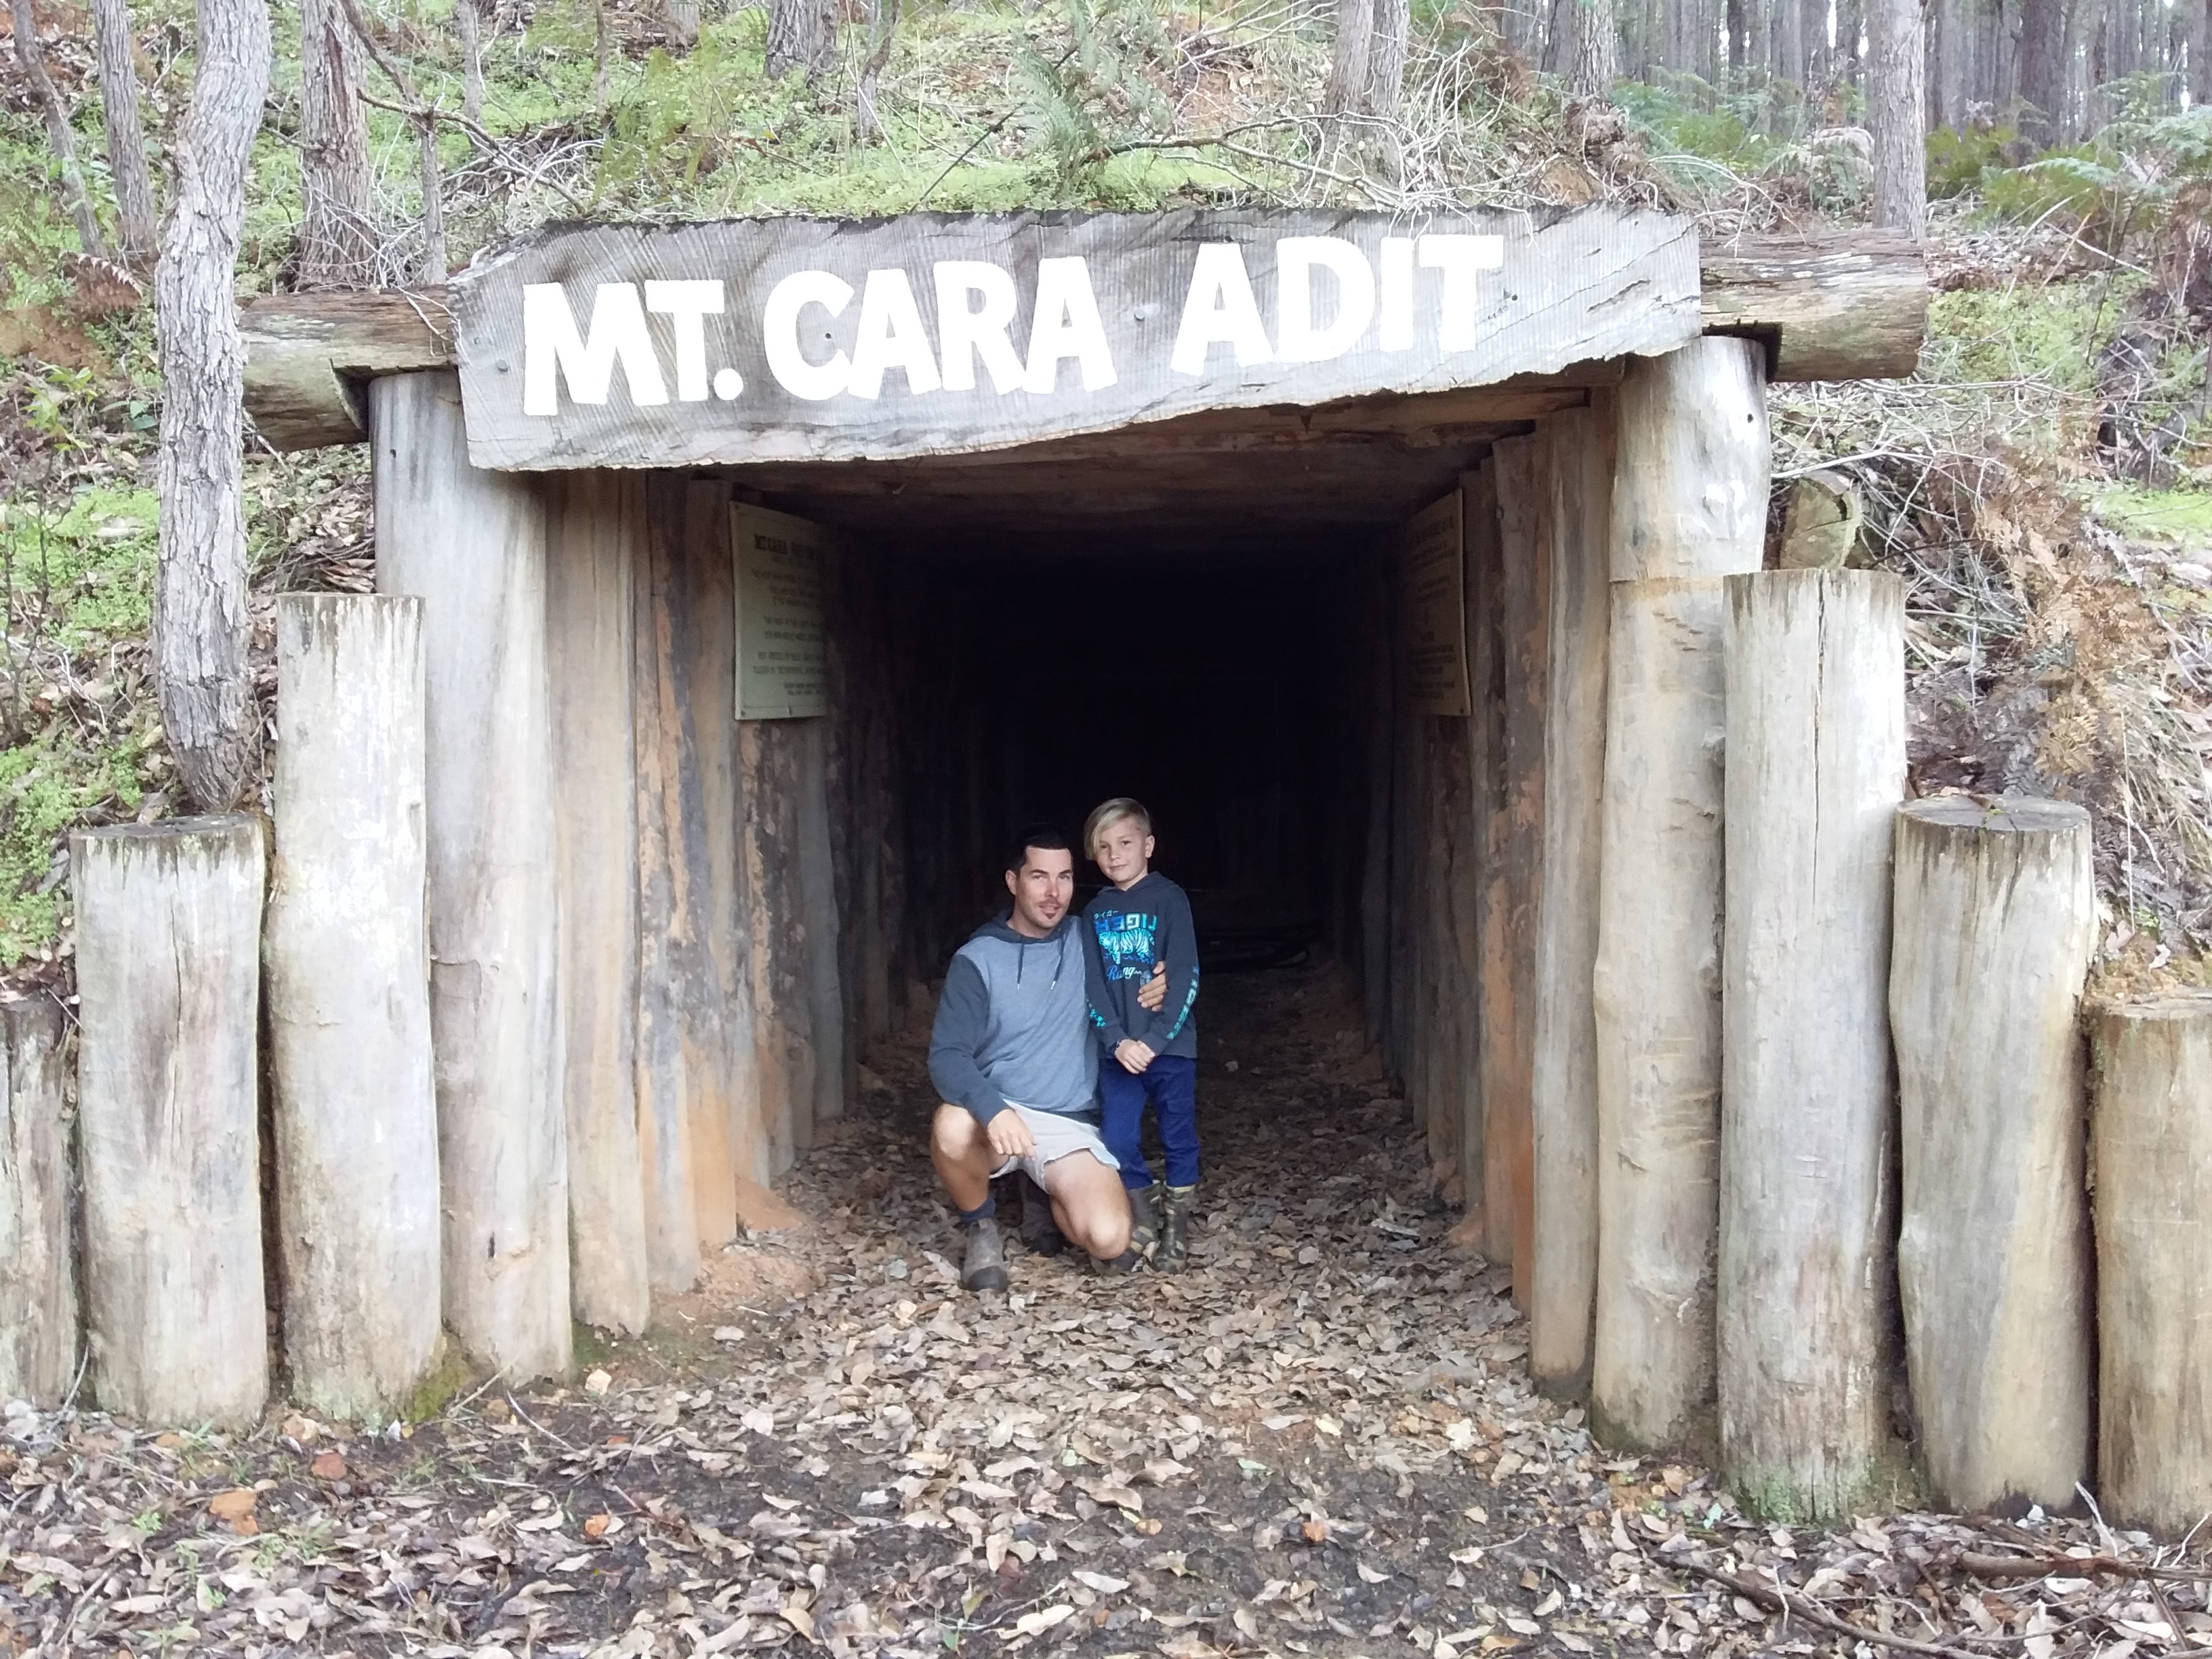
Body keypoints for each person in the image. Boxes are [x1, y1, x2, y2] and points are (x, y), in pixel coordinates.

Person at [928, 826, 1145, 1290]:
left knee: (1109, 1240)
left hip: (1066, 1120)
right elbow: (947, 1056)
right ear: (1013, 882)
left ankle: (1041, 1191)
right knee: (950, 1128)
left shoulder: (1091, 940)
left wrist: (1161, 980)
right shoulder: (978, 959)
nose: (1053, 893)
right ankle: (981, 1226)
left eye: (1064, 878)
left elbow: (1141, 964)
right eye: (1039, 877)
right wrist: (994, 1109)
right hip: (998, 1114)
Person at [1080, 797, 1202, 1273]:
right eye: (1103, 847)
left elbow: (1185, 975)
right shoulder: (1095, 912)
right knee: (1117, 1136)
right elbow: (1092, 986)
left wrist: (1154, 1040)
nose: (1115, 855)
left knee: (1178, 1135)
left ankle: (1177, 1227)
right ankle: (1144, 1217)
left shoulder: (1170, 899)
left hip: (1170, 1049)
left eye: (1125, 843)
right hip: (1119, 1054)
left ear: (1148, 846)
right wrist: (1117, 1041)